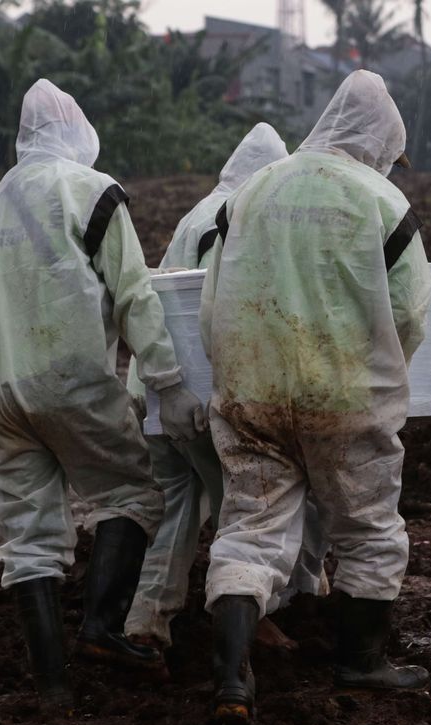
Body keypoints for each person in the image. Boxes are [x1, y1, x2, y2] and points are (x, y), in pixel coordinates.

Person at [0, 79, 205, 710]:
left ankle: (53, 687)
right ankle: (101, 628)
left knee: (30, 536)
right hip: (68, 380)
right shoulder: (89, 190)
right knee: (131, 490)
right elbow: (133, 292)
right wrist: (168, 380)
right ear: (76, 131)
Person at [200, 70, 431, 725]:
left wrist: (236, 374)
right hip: (347, 394)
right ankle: (360, 663)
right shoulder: (381, 201)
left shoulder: (249, 193)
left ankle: (233, 678)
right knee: (367, 530)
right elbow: (412, 313)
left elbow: (213, 305)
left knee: (248, 531)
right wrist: (383, 375)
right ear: (385, 137)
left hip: (252, 393)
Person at [124, 124, 326, 661]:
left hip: (156, 391)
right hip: (205, 392)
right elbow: (228, 314)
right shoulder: (242, 214)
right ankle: (256, 619)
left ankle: (147, 620)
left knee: (177, 509)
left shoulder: (198, 211)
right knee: (250, 512)